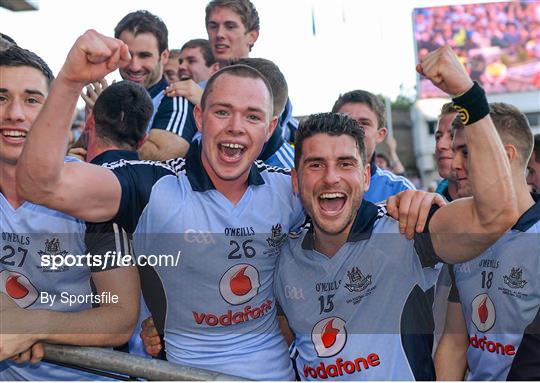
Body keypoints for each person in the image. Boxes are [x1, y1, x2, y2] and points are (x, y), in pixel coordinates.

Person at [15, 30, 304, 380]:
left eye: (253, 117)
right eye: (222, 113)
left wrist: (393, 206)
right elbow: (40, 185)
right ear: (199, 118)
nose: (236, 128)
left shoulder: (289, 189)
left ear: (271, 127)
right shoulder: (153, 185)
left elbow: (357, 216)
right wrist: (70, 80)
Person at [275, 45, 518, 380]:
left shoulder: (405, 230)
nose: (331, 177)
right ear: (296, 179)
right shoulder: (283, 257)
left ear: (364, 176)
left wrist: (467, 95)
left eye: (345, 164)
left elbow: (496, 216)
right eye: (315, 165)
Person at [0, 44, 139, 380]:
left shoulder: (87, 192)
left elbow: (121, 316)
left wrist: (34, 325)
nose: (14, 113)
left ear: (54, 111)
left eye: (32, 100)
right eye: (1, 97)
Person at [435, 103, 540, 381]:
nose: (455, 164)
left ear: (505, 156)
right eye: (455, 151)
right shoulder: (464, 236)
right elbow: (455, 345)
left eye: (466, 152)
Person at [111, 10, 197, 160]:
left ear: (163, 56)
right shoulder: (110, 97)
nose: (134, 66)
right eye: (127, 55)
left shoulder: (175, 99)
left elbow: (160, 157)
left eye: (144, 56)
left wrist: (107, 123)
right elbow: (77, 152)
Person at [332, 90, 416, 203]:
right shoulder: (310, 183)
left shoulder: (401, 191)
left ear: (380, 135)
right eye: (345, 122)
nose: (354, 130)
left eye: (364, 123)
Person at [434, 102, 459, 202]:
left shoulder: (507, 209)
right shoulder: (427, 211)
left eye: (453, 136)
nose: (440, 145)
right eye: (438, 137)